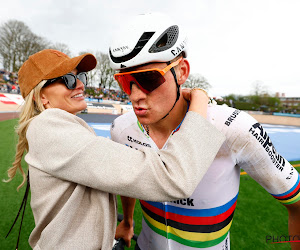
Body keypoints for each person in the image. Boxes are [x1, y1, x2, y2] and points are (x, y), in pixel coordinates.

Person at [108, 13, 300, 249]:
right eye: (124, 81)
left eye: (148, 79)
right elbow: (129, 181)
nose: (135, 95)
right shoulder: (121, 129)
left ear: (182, 72)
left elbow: (297, 203)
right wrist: (127, 221)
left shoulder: (234, 129)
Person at [5, 49, 225, 249]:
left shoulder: (59, 129)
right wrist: (199, 101)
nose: (81, 84)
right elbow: (173, 177)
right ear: (41, 96)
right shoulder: (49, 128)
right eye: (69, 80)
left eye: (81, 77)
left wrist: (117, 229)